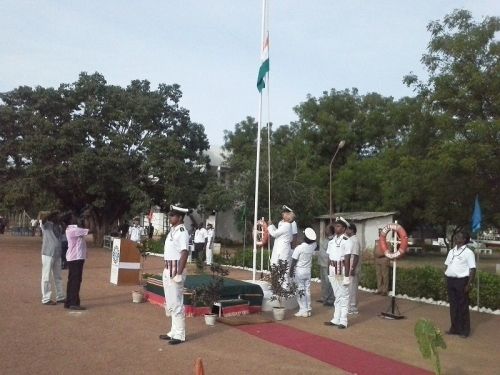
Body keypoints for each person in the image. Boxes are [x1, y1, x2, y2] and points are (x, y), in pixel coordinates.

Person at [159, 205, 190, 345]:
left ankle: (180, 334)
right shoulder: (173, 230)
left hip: (175, 271)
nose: (170, 217)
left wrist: (178, 273)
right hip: (168, 269)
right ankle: (173, 331)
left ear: (180, 217)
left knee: (177, 303)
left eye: (173, 215)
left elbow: (184, 252)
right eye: (170, 215)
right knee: (171, 303)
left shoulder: (182, 232)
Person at [444, 231, 476, 338]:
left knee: (462, 306)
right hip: (450, 281)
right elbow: (447, 265)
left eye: (459, 236)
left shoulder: (468, 253)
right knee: (453, 306)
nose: (456, 237)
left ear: (464, 240)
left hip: (462, 282)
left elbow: (472, 269)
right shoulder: (451, 251)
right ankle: (454, 328)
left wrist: (469, 284)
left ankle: (464, 331)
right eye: (456, 236)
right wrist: (446, 277)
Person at [324, 217, 350, 329]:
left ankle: (343, 321)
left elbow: (348, 259)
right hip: (332, 269)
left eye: (338, 226)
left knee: (344, 295)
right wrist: (328, 271)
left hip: (342, 269)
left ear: (344, 228)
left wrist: (347, 276)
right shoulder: (331, 241)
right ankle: (336, 319)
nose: (336, 227)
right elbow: (329, 257)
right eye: (335, 225)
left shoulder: (346, 241)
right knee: (337, 295)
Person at [290, 227, 317, 317]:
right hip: (308, 271)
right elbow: (315, 242)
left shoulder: (299, 248)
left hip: (299, 271)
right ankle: (308, 309)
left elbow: (293, 261)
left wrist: (290, 272)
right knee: (307, 290)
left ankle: (303, 310)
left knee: (300, 290)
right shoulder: (313, 246)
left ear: (305, 237)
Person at [40, 212, 65, 305]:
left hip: (57, 254)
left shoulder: (58, 226)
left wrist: (61, 221)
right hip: (48, 253)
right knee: (46, 276)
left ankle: (60, 296)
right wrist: (51, 214)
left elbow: (62, 234)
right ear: (52, 217)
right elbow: (43, 220)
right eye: (57, 216)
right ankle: (46, 298)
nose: (59, 217)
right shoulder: (46, 225)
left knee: (58, 276)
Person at [65, 216, 89, 310]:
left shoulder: (73, 229)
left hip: (75, 258)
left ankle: (69, 301)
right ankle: (74, 303)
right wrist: (86, 219)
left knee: (72, 280)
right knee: (75, 280)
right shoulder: (73, 230)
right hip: (76, 258)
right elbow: (91, 230)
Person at [316, 225, 334, 306]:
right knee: (323, 282)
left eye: (327, 229)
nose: (325, 231)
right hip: (322, 263)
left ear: (330, 231)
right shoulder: (325, 239)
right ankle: (324, 297)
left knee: (328, 282)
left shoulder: (332, 240)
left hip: (327, 264)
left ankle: (330, 299)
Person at [345, 222, 361, 314]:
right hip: (350, 267)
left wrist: (352, 269)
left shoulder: (354, 241)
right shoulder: (351, 239)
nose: (346, 231)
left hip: (352, 267)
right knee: (350, 287)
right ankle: (351, 306)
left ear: (351, 230)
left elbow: (355, 256)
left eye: (347, 229)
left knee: (351, 288)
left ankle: (352, 307)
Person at [375, 230, 390, 296]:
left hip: (384, 259)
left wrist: (381, 255)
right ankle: (379, 290)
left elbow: (388, 251)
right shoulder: (377, 241)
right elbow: (374, 250)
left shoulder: (387, 242)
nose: (380, 234)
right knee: (378, 275)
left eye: (381, 233)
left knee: (385, 276)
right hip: (377, 260)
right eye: (379, 233)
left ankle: (385, 291)